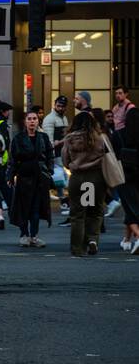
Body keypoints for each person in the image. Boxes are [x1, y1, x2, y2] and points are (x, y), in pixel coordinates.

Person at [61, 110, 108, 256]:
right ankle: (92, 239)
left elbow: (65, 161)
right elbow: (107, 157)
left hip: (78, 178)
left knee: (77, 214)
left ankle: (77, 249)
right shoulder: (100, 138)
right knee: (95, 212)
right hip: (96, 178)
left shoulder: (69, 139)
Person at [8, 109, 53, 248]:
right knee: (23, 208)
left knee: (35, 208)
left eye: (34, 118)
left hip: (40, 177)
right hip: (24, 177)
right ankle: (24, 234)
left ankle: (34, 236)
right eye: (29, 119)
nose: (32, 121)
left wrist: (49, 171)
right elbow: (13, 159)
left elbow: (50, 156)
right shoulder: (18, 139)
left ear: (38, 121)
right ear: (25, 121)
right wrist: (10, 175)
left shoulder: (44, 138)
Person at [116, 103, 139, 254]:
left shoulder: (119, 134)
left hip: (124, 175)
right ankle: (128, 239)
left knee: (129, 209)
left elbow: (112, 155)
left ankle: (135, 237)